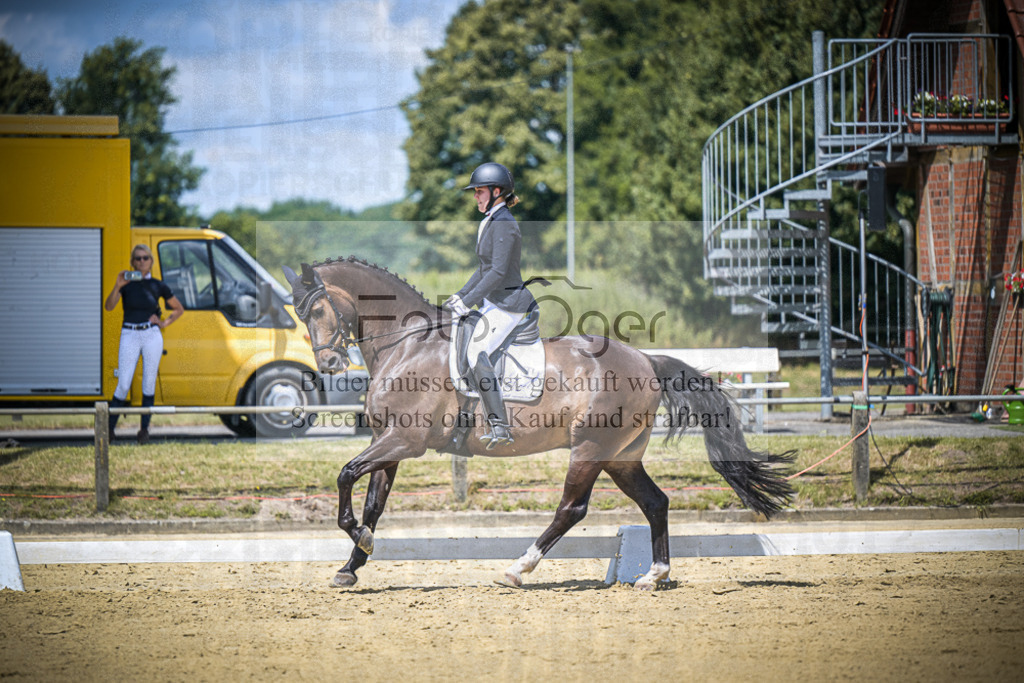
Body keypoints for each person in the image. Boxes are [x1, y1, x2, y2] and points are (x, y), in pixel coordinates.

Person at [444, 162, 537, 449]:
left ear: (497, 192)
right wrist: (460, 297)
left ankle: (500, 425)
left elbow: (497, 273)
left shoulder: (505, 224)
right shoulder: (493, 221)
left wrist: (469, 301)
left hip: (509, 304)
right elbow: (483, 269)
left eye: (480, 191)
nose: (475, 196)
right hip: (494, 302)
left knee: (476, 353)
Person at [103, 244, 184, 444]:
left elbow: (178, 308)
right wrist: (118, 286)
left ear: (151, 261)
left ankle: (144, 430)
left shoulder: (158, 285)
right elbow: (109, 306)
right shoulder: (126, 283)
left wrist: (164, 322)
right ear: (132, 262)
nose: (141, 262)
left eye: (145, 258)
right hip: (129, 332)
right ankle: (109, 430)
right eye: (137, 258)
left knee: (149, 382)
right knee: (123, 383)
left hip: (151, 334)